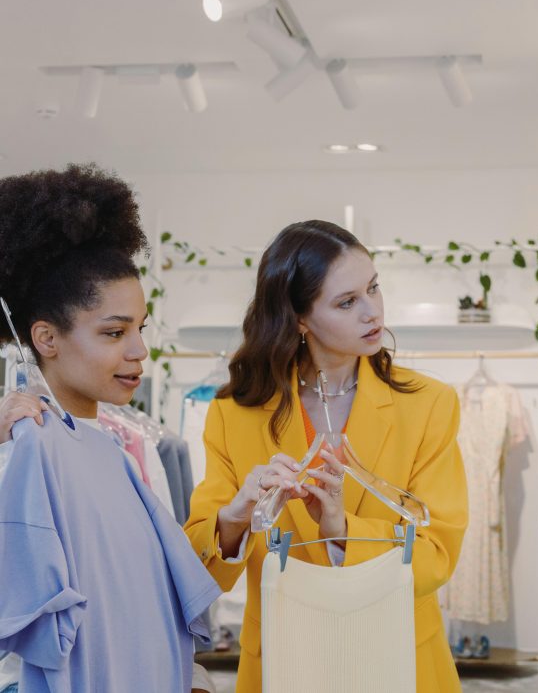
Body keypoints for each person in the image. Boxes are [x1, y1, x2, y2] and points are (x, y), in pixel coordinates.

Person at [184, 220, 469, 692]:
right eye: (347, 302)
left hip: (398, 659)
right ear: (299, 318)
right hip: (283, 660)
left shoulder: (430, 404)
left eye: (373, 289)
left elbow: (438, 553)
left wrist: (341, 531)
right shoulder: (233, 413)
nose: (372, 311)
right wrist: (235, 517)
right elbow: (204, 570)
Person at [0, 164, 219, 693]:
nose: (139, 351)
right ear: (47, 339)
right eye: (114, 332)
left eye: (139, 329)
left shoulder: (115, 456)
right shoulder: (28, 453)